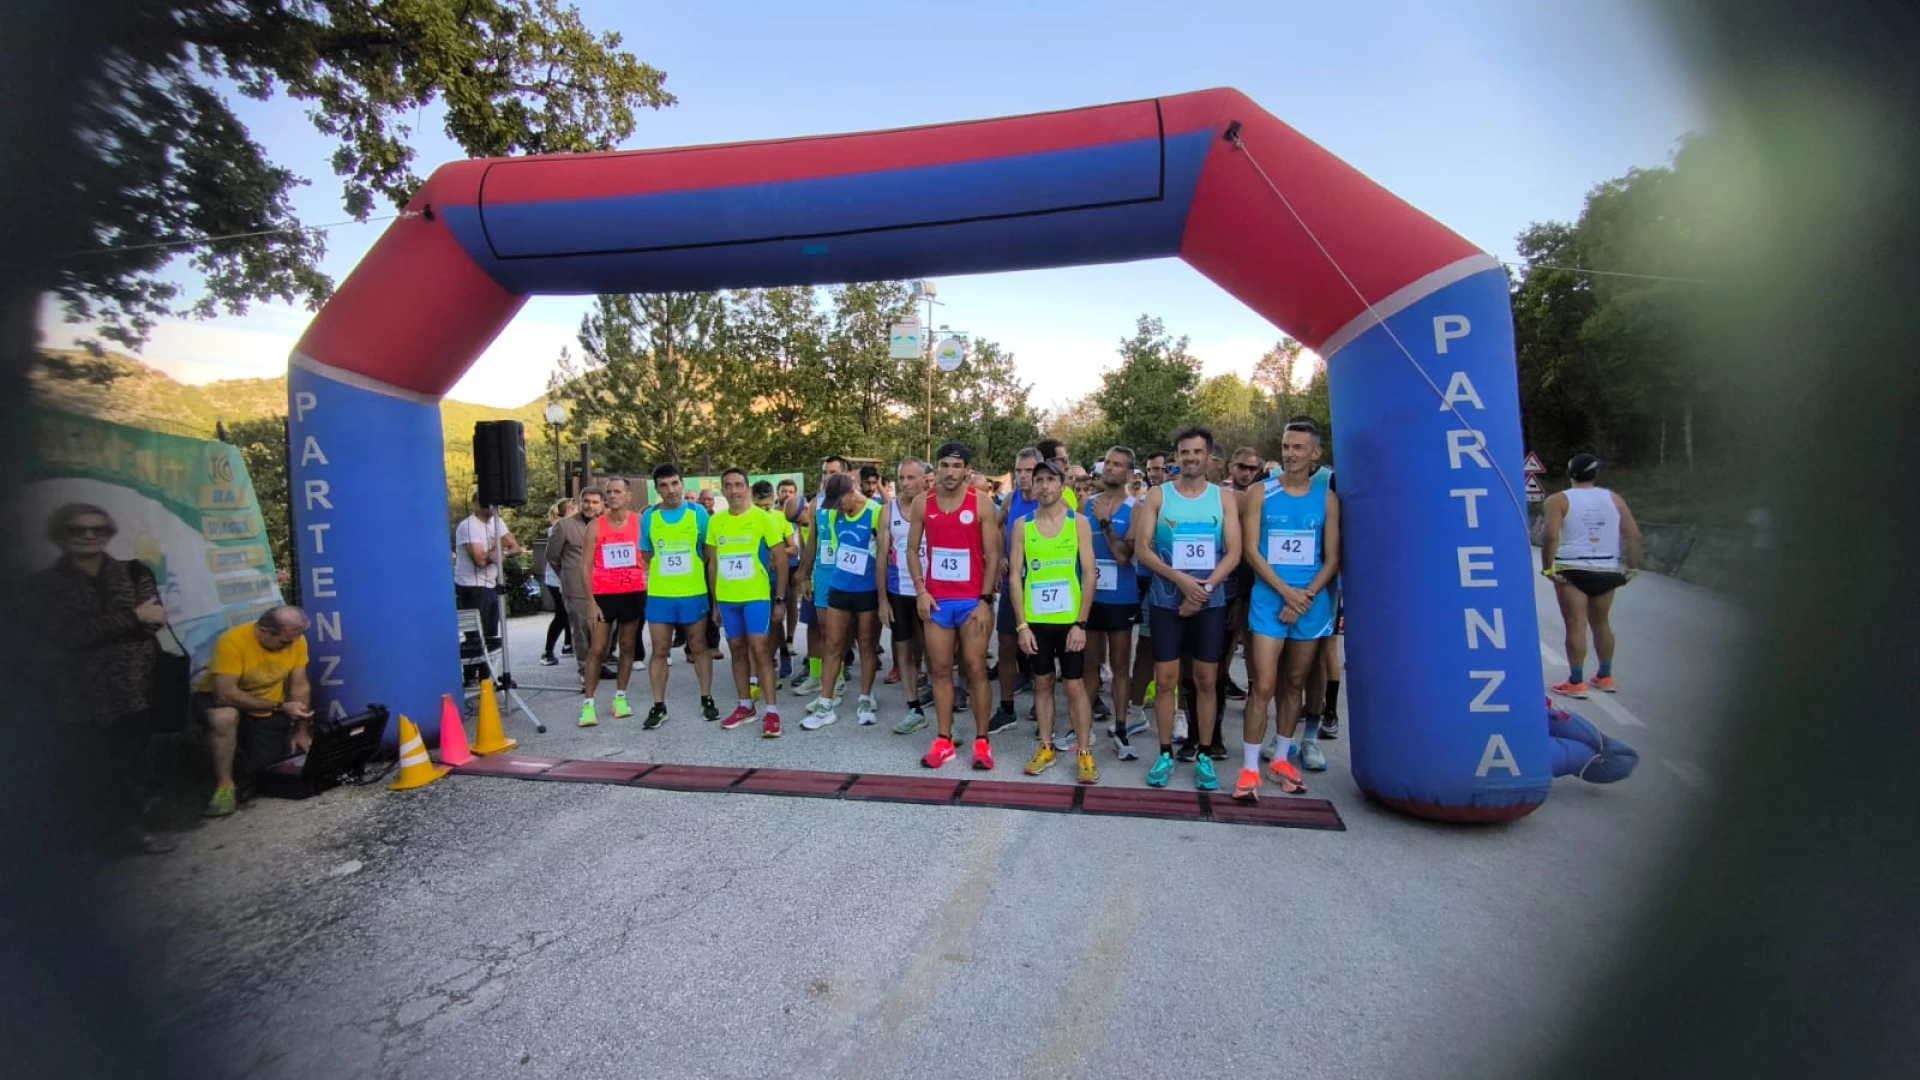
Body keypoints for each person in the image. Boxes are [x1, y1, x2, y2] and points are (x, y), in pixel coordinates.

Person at [34, 504, 175, 852]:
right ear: (59, 535)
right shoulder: (43, 585)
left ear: (109, 533)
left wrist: (99, 628)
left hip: (134, 686)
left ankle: (133, 826)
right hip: (77, 693)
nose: (88, 535)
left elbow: (154, 620)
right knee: (91, 766)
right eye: (77, 530)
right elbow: (62, 634)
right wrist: (131, 617)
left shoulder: (133, 572)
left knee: (133, 759)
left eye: (97, 529)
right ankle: (103, 834)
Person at [1131, 426, 1242, 791]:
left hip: (1210, 600)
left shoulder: (1223, 498)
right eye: (1184, 452)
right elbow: (1144, 549)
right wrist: (1181, 581)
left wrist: (1205, 588)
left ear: (1208, 457)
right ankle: (1164, 752)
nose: (1190, 458)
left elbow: (1234, 552)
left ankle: (1205, 754)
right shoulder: (1159, 496)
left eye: (1197, 452)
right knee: (1166, 681)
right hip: (1167, 599)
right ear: (1176, 456)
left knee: (1208, 681)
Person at [1235, 420, 1341, 801]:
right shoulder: (1261, 492)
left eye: (1298, 447)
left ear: (1315, 454)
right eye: (1285, 446)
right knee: (1263, 685)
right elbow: (1250, 550)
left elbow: (1331, 559)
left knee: (1295, 683)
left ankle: (1282, 757)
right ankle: (1248, 769)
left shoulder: (1327, 498)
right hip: (1269, 600)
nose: (1290, 454)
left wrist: (1305, 597)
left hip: (1310, 604)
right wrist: (1285, 593)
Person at [907, 441, 1002, 770]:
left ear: (967, 470)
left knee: (975, 668)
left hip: (971, 601)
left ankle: (982, 740)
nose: (950, 472)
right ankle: (944, 739)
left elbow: (993, 556)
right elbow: (911, 551)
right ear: (937, 468)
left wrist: (986, 600)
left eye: (956, 466)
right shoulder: (923, 502)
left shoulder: (982, 504)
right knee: (941, 669)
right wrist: (921, 591)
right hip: (937, 601)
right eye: (944, 465)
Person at [1013, 459, 1102, 783]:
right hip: (1037, 621)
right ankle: (1046, 745)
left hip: (1070, 621)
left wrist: (1081, 623)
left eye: (1051, 480)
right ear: (1032, 486)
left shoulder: (1077, 522)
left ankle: (1083, 750)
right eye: (1039, 480)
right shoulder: (1023, 525)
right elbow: (1014, 577)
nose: (1045, 486)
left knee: (1075, 685)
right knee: (1042, 682)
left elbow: (1090, 573)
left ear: (1062, 483)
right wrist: (1021, 626)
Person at [194, 605, 313, 818]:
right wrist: (279, 707)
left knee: (266, 774)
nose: (289, 646)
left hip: (267, 704)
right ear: (265, 630)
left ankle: (246, 766)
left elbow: (300, 687)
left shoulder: (296, 640)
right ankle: (224, 787)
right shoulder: (232, 641)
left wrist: (301, 731)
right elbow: (225, 694)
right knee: (225, 716)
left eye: (293, 641)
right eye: (284, 642)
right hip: (219, 700)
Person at [1541, 453, 1643, 698]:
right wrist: (1633, 566)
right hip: (1607, 568)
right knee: (1601, 623)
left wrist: (1548, 568)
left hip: (1572, 569)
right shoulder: (1614, 499)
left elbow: (1551, 536)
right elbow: (1633, 534)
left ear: (1570, 474)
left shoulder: (1558, 500)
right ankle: (1605, 676)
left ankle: (1576, 681)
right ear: (1595, 474)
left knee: (1576, 624)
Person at [706, 468, 795, 737]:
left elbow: (781, 560)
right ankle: (745, 705)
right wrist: (715, 603)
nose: (734, 490)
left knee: (760, 649)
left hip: (756, 596)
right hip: (728, 598)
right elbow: (712, 565)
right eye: (728, 485)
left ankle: (772, 711)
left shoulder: (763, 518)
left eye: (738, 485)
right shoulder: (716, 522)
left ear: (747, 488)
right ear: (723, 490)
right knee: (736, 648)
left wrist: (779, 599)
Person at [802, 472, 890, 728]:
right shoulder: (832, 512)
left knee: (866, 645)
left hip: (867, 590)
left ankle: (865, 697)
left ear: (853, 490)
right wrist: (807, 575)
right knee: (833, 643)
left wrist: (883, 599)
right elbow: (817, 540)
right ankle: (825, 703)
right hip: (839, 586)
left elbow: (883, 556)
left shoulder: (876, 512)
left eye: (841, 501)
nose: (839, 507)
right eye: (834, 503)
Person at [642, 463, 720, 726]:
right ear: (657, 489)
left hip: (693, 593)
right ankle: (658, 705)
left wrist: (714, 595)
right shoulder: (649, 517)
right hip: (661, 595)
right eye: (664, 485)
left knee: (699, 647)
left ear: (682, 484)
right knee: (660, 650)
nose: (671, 490)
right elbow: (646, 554)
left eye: (675, 483)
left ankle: (706, 698)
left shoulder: (698, 513)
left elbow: (710, 556)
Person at [1084, 446, 1148, 760]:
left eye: (1117, 464)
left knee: (1120, 666)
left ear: (1129, 473)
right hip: (1089, 596)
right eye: (1107, 462)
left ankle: (1120, 726)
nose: (1109, 468)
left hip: (1120, 596)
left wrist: (1107, 524)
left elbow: (1124, 556)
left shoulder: (1135, 508)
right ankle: (1082, 727)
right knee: (1089, 664)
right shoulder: (1086, 505)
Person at [579, 478, 646, 726]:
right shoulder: (596, 526)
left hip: (633, 592)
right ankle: (588, 704)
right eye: (609, 492)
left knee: (627, 645)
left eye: (617, 491)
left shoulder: (639, 523)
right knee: (598, 649)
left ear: (628, 496)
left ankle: (620, 697)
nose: (613, 496)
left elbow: (650, 553)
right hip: (603, 595)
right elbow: (585, 565)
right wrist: (590, 602)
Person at [991, 447, 1042, 734]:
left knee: (1042, 649)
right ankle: (1007, 707)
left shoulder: (1054, 501)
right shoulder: (1011, 499)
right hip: (1014, 583)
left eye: (1029, 471)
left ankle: (1042, 705)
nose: (1024, 476)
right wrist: (999, 555)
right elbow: (994, 528)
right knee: (1006, 644)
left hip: (1044, 585)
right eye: (1019, 470)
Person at [794, 455, 850, 697]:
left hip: (846, 575)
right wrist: (805, 574)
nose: (828, 477)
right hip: (821, 574)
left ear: (846, 475)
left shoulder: (851, 502)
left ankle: (837, 676)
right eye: (825, 473)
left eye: (834, 473)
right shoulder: (816, 503)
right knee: (815, 626)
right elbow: (812, 541)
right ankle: (816, 675)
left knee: (835, 631)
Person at [886, 457, 931, 734]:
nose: (905, 483)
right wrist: (881, 599)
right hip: (899, 590)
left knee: (934, 652)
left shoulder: (935, 506)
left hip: (929, 591)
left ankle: (944, 708)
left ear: (924, 479)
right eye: (901, 478)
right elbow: (882, 555)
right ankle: (913, 707)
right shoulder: (888, 510)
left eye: (911, 478)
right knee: (903, 649)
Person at [452, 495, 520, 678]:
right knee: (476, 635)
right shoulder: (468, 526)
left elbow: (515, 547)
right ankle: (470, 675)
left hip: (491, 583)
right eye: (487, 504)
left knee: (491, 633)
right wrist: (497, 547)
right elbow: (480, 560)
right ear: (476, 504)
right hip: (472, 585)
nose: (491, 508)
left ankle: (485, 677)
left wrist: (499, 550)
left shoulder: (497, 522)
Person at [539, 498, 575, 666]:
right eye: (572, 508)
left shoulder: (575, 526)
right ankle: (547, 652)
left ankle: (568, 644)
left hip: (568, 577)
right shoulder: (557, 528)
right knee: (562, 614)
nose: (576, 511)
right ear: (564, 513)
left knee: (569, 612)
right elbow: (553, 555)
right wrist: (562, 573)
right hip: (557, 579)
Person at [775, 477, 804, 679]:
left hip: (795, 564)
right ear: (778, 493)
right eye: (784, 491)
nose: (787, 495)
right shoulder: (774, 514)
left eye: (791, 492)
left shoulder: (799, 513)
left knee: (792, 601)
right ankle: (778, 645)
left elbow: (801, 541)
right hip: (776, 567)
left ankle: (790, 639)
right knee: (777, 605)